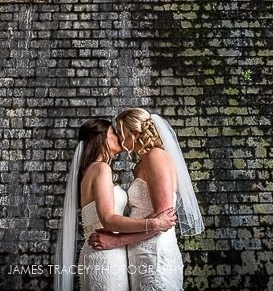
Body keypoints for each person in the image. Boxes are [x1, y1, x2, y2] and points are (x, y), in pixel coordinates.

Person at [54, 118, 177, 291]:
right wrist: (154, 223)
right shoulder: (101, 169)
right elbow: (108, 219)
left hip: (104, 250)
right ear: (102, 137)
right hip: (105, 252)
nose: (120, 137)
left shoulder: (93, 170)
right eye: (114, 132)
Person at [89, 108, 205, 290]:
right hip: (140, 249)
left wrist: (118, 241)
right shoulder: (141, 164)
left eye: (121, 132)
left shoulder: (156, 156)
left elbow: (163, 216)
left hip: (156, 251)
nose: (119, 137)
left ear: (134, 132)